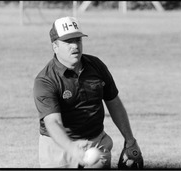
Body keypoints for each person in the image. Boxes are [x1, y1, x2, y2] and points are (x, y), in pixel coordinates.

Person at [33, 16, 143, 168]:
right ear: (55, 46)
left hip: (95, 143)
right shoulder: (46, 80)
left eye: (78, 40)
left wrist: (130, 141)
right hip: (59, 147)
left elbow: (114, 103)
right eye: (68, 42)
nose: (75, 46)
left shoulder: (96, 66)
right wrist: (71, 148)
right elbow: (53, 122)